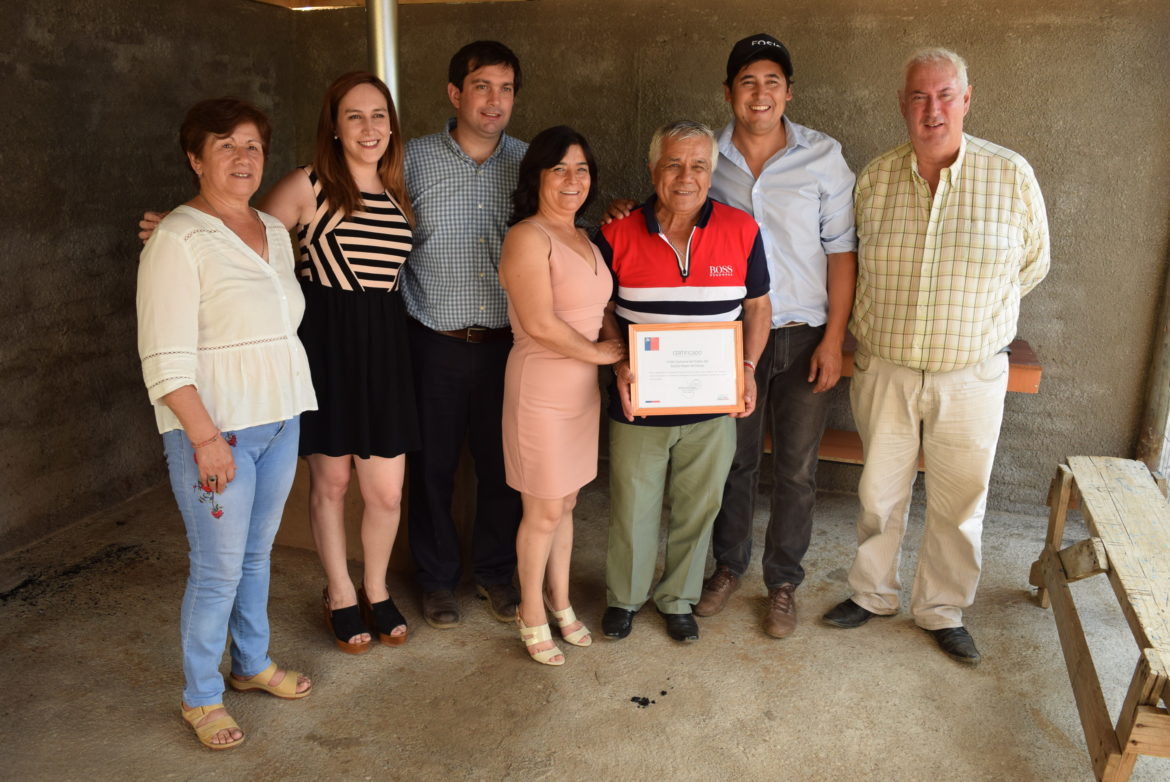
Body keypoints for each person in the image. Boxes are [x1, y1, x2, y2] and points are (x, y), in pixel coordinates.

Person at [142, 72, 417, 655]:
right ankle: (340, 593)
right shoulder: (306, 184)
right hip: (329, 346)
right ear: (334, 127)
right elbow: (237, 232)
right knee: (332, 482)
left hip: (386, 350)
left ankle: (376, 586)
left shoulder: (399, 188)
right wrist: (171, 228)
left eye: (378, 115)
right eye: (353, 116)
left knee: (387, 491)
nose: (368, 127)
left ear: (392, 126)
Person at [822, 48, 1050, 665]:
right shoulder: (875, 179)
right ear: (903, 105)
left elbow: (1033, 265)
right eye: (920, 97)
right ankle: (871, 594)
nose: (933, 109)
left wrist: (972, 321)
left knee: (960, 501)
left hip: (971, 373)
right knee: (878, 492)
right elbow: (852, 262)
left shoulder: (1010, 175)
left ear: (966, 100)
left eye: (945, 95)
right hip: (886, 366)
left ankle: (942, 609)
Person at [137, 98, 316, 750]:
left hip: (279, 420)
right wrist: (205, 439)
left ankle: (251, 664)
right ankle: (200, 697)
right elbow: (163, 358)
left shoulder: (272, 228)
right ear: (196, 158)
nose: (243, 158)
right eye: (226, 146)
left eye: (253, 146)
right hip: (217, 432)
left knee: (255, 557)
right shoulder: (177, 239)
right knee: (217, 571)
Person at [696, 34, 858, 638]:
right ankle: (727, 567)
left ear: (788, 92)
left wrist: (834, 340)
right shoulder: (706, 156)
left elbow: (841, 252)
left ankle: (783, 582)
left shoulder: (823, 157)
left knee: (796, 469)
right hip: (731, 337)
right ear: (728, 92)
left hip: (804, 337)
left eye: (772, 82)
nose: (759, 93)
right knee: (733, 460)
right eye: (747, 81)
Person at [597, 120, 771, 643]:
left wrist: (748, 368)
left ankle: (678, 598)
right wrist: (619, 363)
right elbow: (599, 308)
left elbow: (758, 307)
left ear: (712, 172)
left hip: (712, 408)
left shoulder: (742, 230)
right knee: (633, 507)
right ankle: (624, 598)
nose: (685, 176)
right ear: (653, 169)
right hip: (639, 403)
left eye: (698, 165)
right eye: (673, 164)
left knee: (699, 509)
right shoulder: (615, 233)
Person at [402, 41, 526, 628]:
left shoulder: (531, 163)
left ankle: (496, 574)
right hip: (435, 340)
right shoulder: (410, 159)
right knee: (432, 467)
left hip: (508, 344)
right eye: (482, 86)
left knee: (503, 467)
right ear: (455, 93)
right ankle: (436, 580)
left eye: (505, 88)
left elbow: (567, 229)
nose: (494, 100)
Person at [499, 126, 624, 666]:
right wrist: (602, 354)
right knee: (543, 508)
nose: (573, 179)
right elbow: (539, 322)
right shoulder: (528, 236)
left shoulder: (585, 237)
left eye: (582, 169)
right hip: (541, 390)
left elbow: (600, 310)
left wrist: (614, 352)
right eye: (559, 169)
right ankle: (530, 611)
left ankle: (560, 600)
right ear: (537, 176)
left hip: (580, 394)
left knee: (567, 501)